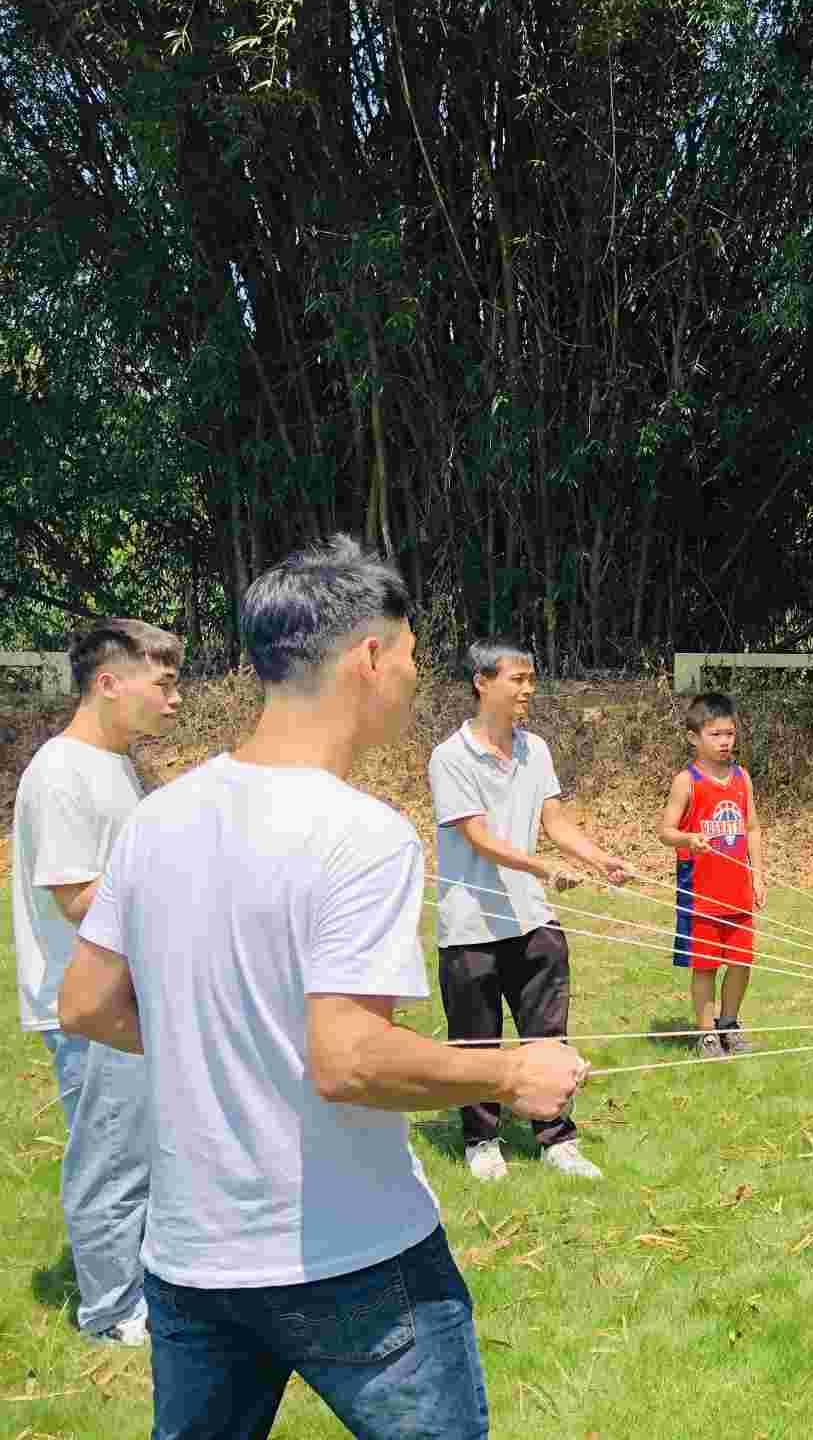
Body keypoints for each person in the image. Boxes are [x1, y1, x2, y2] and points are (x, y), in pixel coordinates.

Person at [57, 536, 588, 1440]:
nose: (418, 681)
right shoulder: (364, 834)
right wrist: (511, 1074)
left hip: (190, 1267)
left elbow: (88, 1005)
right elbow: (349, 1061)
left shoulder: (158, 818)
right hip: (356, 1261)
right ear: (368, 658)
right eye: (414, 657)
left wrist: (219, 1037)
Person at [10, 619, 180, 1346]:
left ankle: (141, 1285)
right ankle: (110, 1311)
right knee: (110, 1158)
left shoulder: (111, 764)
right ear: (109, 683)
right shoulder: (63, 771)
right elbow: (77, 896)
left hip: (127, 994)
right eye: (163, 683)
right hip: (86, 1006)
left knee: (144, 1148)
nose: (175, 700)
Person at [430, 638, 631, 1183]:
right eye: (517, 679)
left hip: (532, 920)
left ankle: (557, 1139)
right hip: (470, 924)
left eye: (530, 679)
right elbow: (479, 839)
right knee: (476, 1043)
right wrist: (543, 869)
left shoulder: (534, 749)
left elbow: (556, 822)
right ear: (482, 683)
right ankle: (481, 1139)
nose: (528, 689)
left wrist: (599, 857)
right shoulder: (450, 757)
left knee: (548, 1034)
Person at [657, 692, 767, 1057]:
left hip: (737, 890)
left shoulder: (741, 777)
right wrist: (689, 838)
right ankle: (706, 1032)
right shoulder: (686, 782)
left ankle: (729, 1023)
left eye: (729, 734)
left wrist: (758, 875)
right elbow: (665, 831)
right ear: (693, 737)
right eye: (715, 735)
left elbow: (751, 828)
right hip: (700, 892)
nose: (724, 742)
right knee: (704, 965)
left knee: (740, 962)